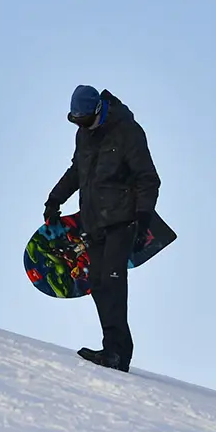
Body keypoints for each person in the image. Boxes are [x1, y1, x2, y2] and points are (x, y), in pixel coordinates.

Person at [43, 85, 161, 373]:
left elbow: (148, 178)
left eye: (84, 120)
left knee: (112, 284)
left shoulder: (128, 132)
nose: (81, 125)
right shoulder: (84, 135)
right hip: (94, 221)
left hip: (124, 221)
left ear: (99, 109)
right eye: (76, 121)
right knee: (96, 283)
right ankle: (113, 349)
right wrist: (54, 200)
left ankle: (117, 352)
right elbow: (76, 172)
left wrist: (143, 219)